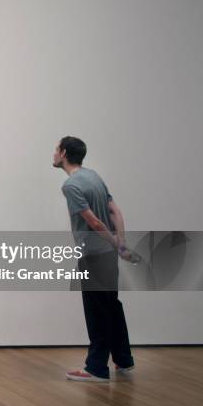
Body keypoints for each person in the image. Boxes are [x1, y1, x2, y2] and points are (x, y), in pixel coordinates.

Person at [53, 136, 134, 382]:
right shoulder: (94, 176)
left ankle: (96, 369)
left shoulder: (71, 186)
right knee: (112, 305)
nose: (54, 154)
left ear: (64, 152)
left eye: (56, 149)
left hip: (93, 256)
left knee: (97, 310)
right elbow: (115, 211)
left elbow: (95, 222)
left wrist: (114, 244)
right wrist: (121, 244)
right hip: (108, 255)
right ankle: (124, 359)